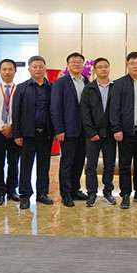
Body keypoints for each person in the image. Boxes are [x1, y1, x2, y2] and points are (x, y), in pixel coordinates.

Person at [110, 51, 137, 209]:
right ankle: (125, 195)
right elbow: (114, 108)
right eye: (132, 63)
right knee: (124, 165)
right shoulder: (119, 83)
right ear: (127, 65)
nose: (136, 66)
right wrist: (116, 129)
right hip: (125, 132)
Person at [12, 55, 55, 210]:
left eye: (41, 66)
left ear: (45, 68)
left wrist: (56, 131)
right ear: (29, 69)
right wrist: (17, 134)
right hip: (27, 134)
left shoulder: (52, 88)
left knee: (44, 165)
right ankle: (25, 195)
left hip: (46, 134)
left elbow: (55, 111)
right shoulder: (21, 88)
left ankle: (42, 193)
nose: (38, 69)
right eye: (34, 67)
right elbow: (16, 113)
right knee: (26, 166)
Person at [51, 52, 89, 207]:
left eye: (79, 62)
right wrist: (59, 129)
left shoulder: (87, 81)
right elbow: (55, 108)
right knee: (67, 163)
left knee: (79, 161)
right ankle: (65, 193)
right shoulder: (60, 83)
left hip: (84, 131)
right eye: (73, 62)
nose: (76, 64)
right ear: (67, 65)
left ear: (83, 65)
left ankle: (75, 189)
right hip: (67, 130)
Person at [80, 57, 116, 207]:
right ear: (95, 70)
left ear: (109, 68)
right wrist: (91, 132)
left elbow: (118, 110)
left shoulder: (115, 87)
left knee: (110, 165)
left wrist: (116, 129)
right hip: (93, 135)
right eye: (100, 67)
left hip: (110, 134)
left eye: (105, 66)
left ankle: (108, 192)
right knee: (91, 166)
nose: (103, 69)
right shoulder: (89, 88)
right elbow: (85, 112)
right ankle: (92, 193)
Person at [0, 58, 22, 206]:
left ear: (15, 71)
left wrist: (12, 126)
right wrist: (2, 126)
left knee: (14, 163)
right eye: (4, 69)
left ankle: (12, 190)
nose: (7, 72)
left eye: (10, 69)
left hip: (15, 131)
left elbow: (21, 111)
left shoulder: (19, 89)